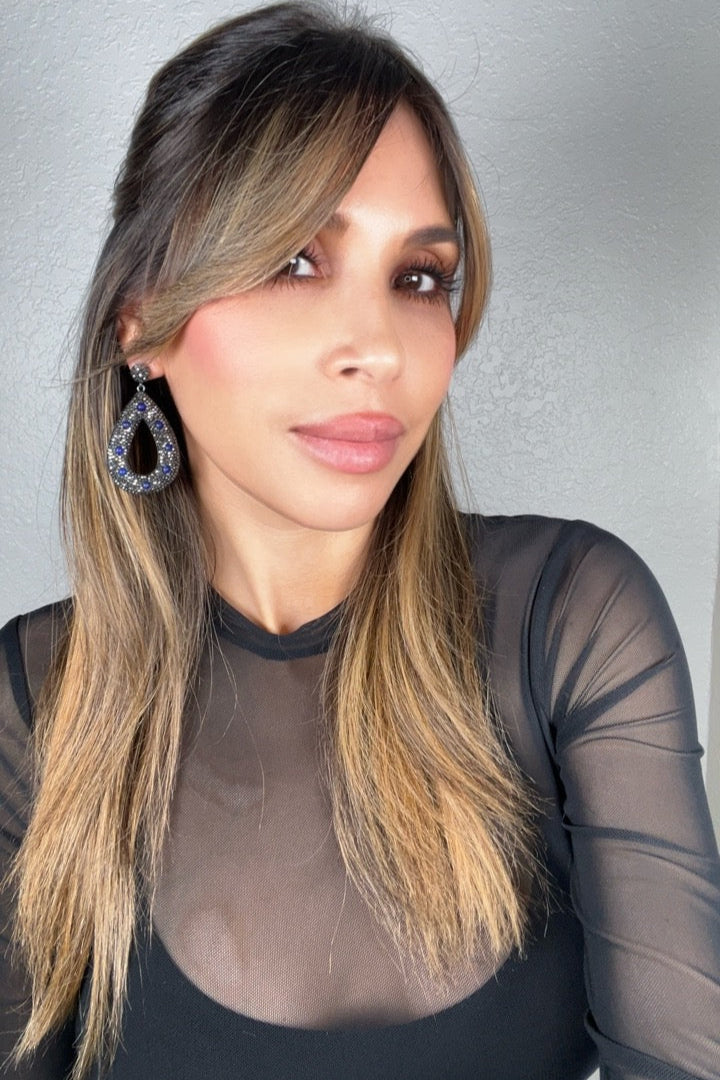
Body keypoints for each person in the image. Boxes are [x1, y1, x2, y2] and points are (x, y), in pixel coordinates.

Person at [1, 3, 719, 1078]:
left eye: (417, 277)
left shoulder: (569, 620)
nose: (379, 348)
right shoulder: (35, 707)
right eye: (296, 261)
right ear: (142, 321)